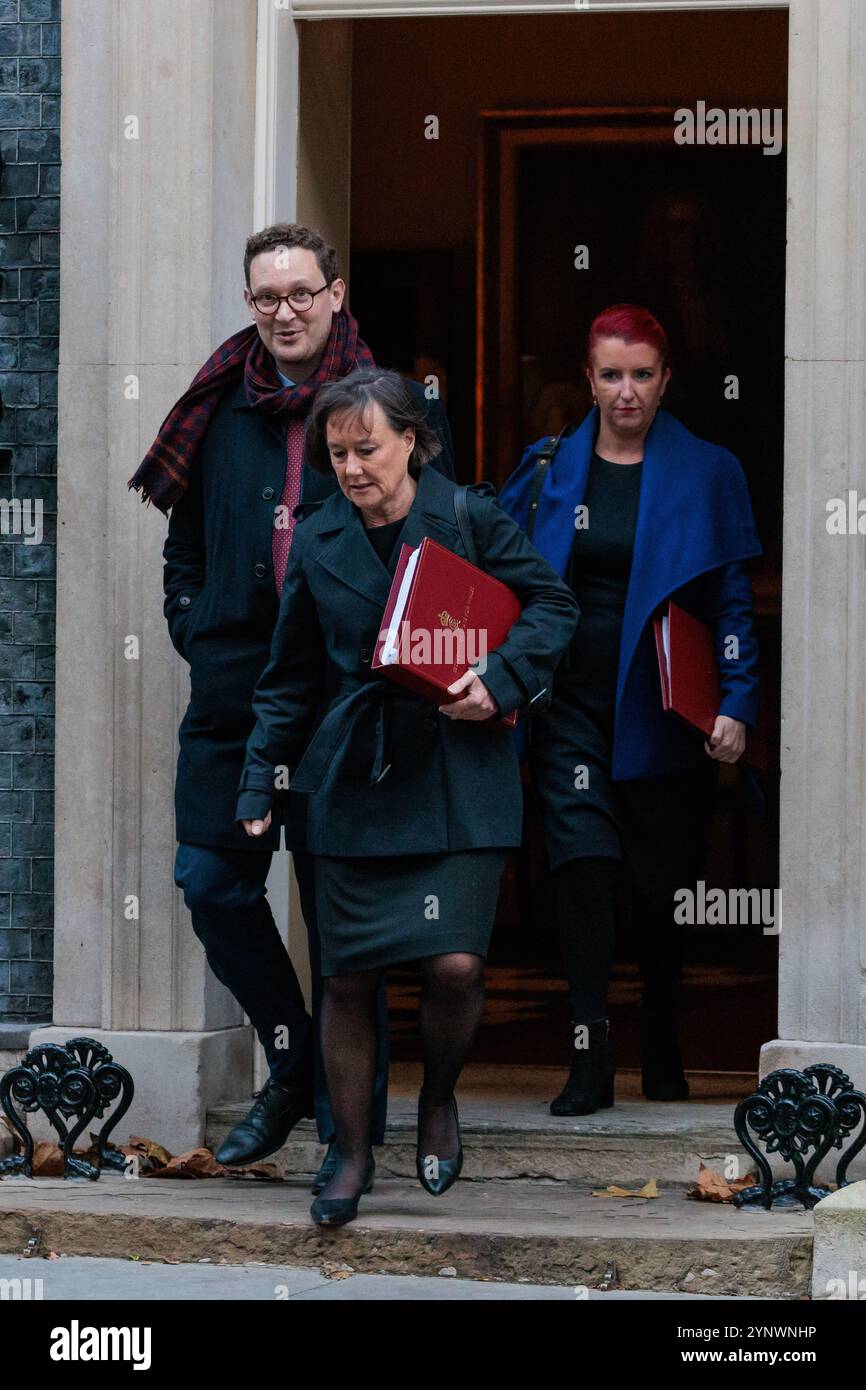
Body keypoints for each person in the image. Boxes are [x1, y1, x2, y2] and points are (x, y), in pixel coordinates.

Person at [127, 224, 456, 1191]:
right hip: (233, 694)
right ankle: (292, 1058)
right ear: (250, 304)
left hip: (347, 700)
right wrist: (194, 622)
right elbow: (181, 542)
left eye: (301, 294)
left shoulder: (381, 406)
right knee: (210, 880)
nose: (284, 312)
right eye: (266, 298)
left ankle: (350, 1141)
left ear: (336, 294)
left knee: (344, 922)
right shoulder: (217, 405)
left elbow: (432, 538)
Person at [236, 368, 578, 1225]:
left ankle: (440, 1098)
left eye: (368, 449)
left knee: (455, 963)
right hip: (353, 774)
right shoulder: (317, 541)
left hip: (460, 770)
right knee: (347, 979)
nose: (351, 468)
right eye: (338, 453)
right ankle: (349, 1152)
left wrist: (499, 680)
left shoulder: (469, 516)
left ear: (412, 442)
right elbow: (288, 680)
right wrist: (258, 777)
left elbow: (553, 602)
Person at [499, 304, 761, 1114]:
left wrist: (738, 701)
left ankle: (664, 1041)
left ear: (665, 379)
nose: (625, 392)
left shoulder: (708, 470)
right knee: (582, 871)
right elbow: (499, 581)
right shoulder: (549, 470)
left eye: (641, 374)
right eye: (610, 375)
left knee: (656, 889)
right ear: (588, 378)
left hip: (663, 710)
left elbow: (731, 603)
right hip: (570, 703)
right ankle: (590, 1055)